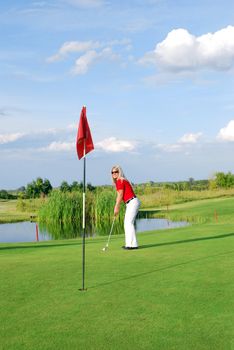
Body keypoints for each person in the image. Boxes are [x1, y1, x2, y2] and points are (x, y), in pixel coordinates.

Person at [111, 165, 140, 250]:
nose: (114, 173)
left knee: (128, 223)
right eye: (112, 172)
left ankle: (132, 245)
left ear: (119, 172)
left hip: (132, 202)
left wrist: (117, 207)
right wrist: (116, 206)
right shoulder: (120, 181)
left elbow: (120, 195)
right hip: (131, 202)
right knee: (127, 223)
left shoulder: (120, 180)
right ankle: (130, 244)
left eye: (116, 172)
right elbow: (118, 196)